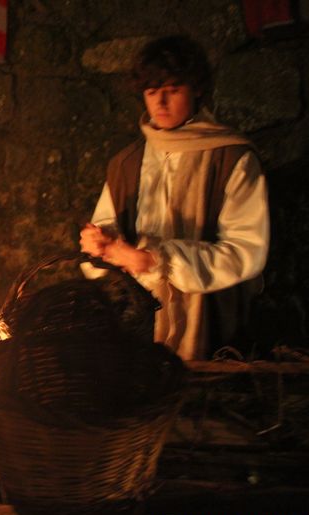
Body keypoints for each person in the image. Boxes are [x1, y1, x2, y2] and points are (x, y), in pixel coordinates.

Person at [80, 35, 269, 360]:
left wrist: (160, 260)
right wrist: (101, 243)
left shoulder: (231, 159)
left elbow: (245, 251)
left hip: (213, 326)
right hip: (141, 327)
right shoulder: (127, 163)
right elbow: (106, 227)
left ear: (196, 88)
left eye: (172, 90)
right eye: (152, 92)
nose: (161, 103)